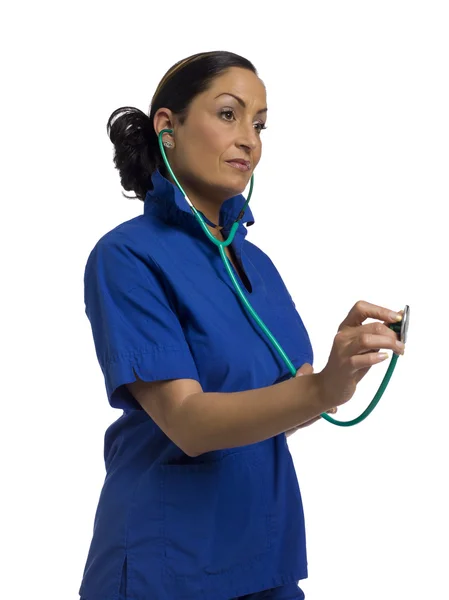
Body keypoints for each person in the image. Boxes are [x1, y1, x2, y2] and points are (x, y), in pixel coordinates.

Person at [78, 50, 405, 600]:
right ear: (168, 127)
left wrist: (340, 368)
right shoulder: (126, 257)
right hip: (167, 565)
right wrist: (319, 388)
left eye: (259, 123)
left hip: (264, 556)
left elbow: (288, 404)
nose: (250, 139)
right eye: (228, 114)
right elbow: (188, 422)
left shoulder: (255, 264)